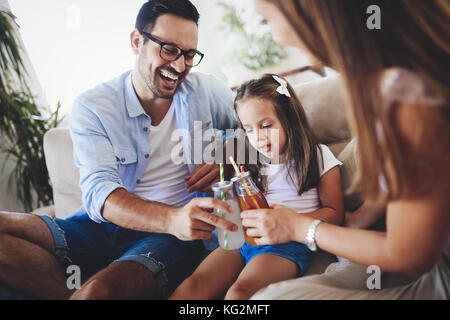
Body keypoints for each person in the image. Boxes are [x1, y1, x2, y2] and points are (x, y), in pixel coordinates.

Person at [0, 0, 239, 300]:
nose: (179, 66)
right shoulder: (94, 106)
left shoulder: (207, 91)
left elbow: (257, 132)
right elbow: (100, 193)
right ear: (137, 41)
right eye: (169, 50)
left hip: (171, 238)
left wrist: (228, 156)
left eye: (189, 55)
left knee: (99, 292)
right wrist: (172, 218)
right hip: (99, 226)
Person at [246, 0, 450, 299]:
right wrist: (358, 220)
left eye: (267, 19)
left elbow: (410, 254)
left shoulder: (408, 97)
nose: (276, 37)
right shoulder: (390, 79)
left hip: (438, 272)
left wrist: (301, 228)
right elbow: (411, 185)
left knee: (269, 299)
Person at [169, 74, 344, 300]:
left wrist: (291, 222)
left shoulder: (318, 156)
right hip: (242, 239)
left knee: (239, 293)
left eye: (266, 125)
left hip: (286, 243)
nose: (258, 137)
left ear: (288, 118)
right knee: (192, 287)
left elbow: (336, 213)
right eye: (249, 129)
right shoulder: (247, 161)